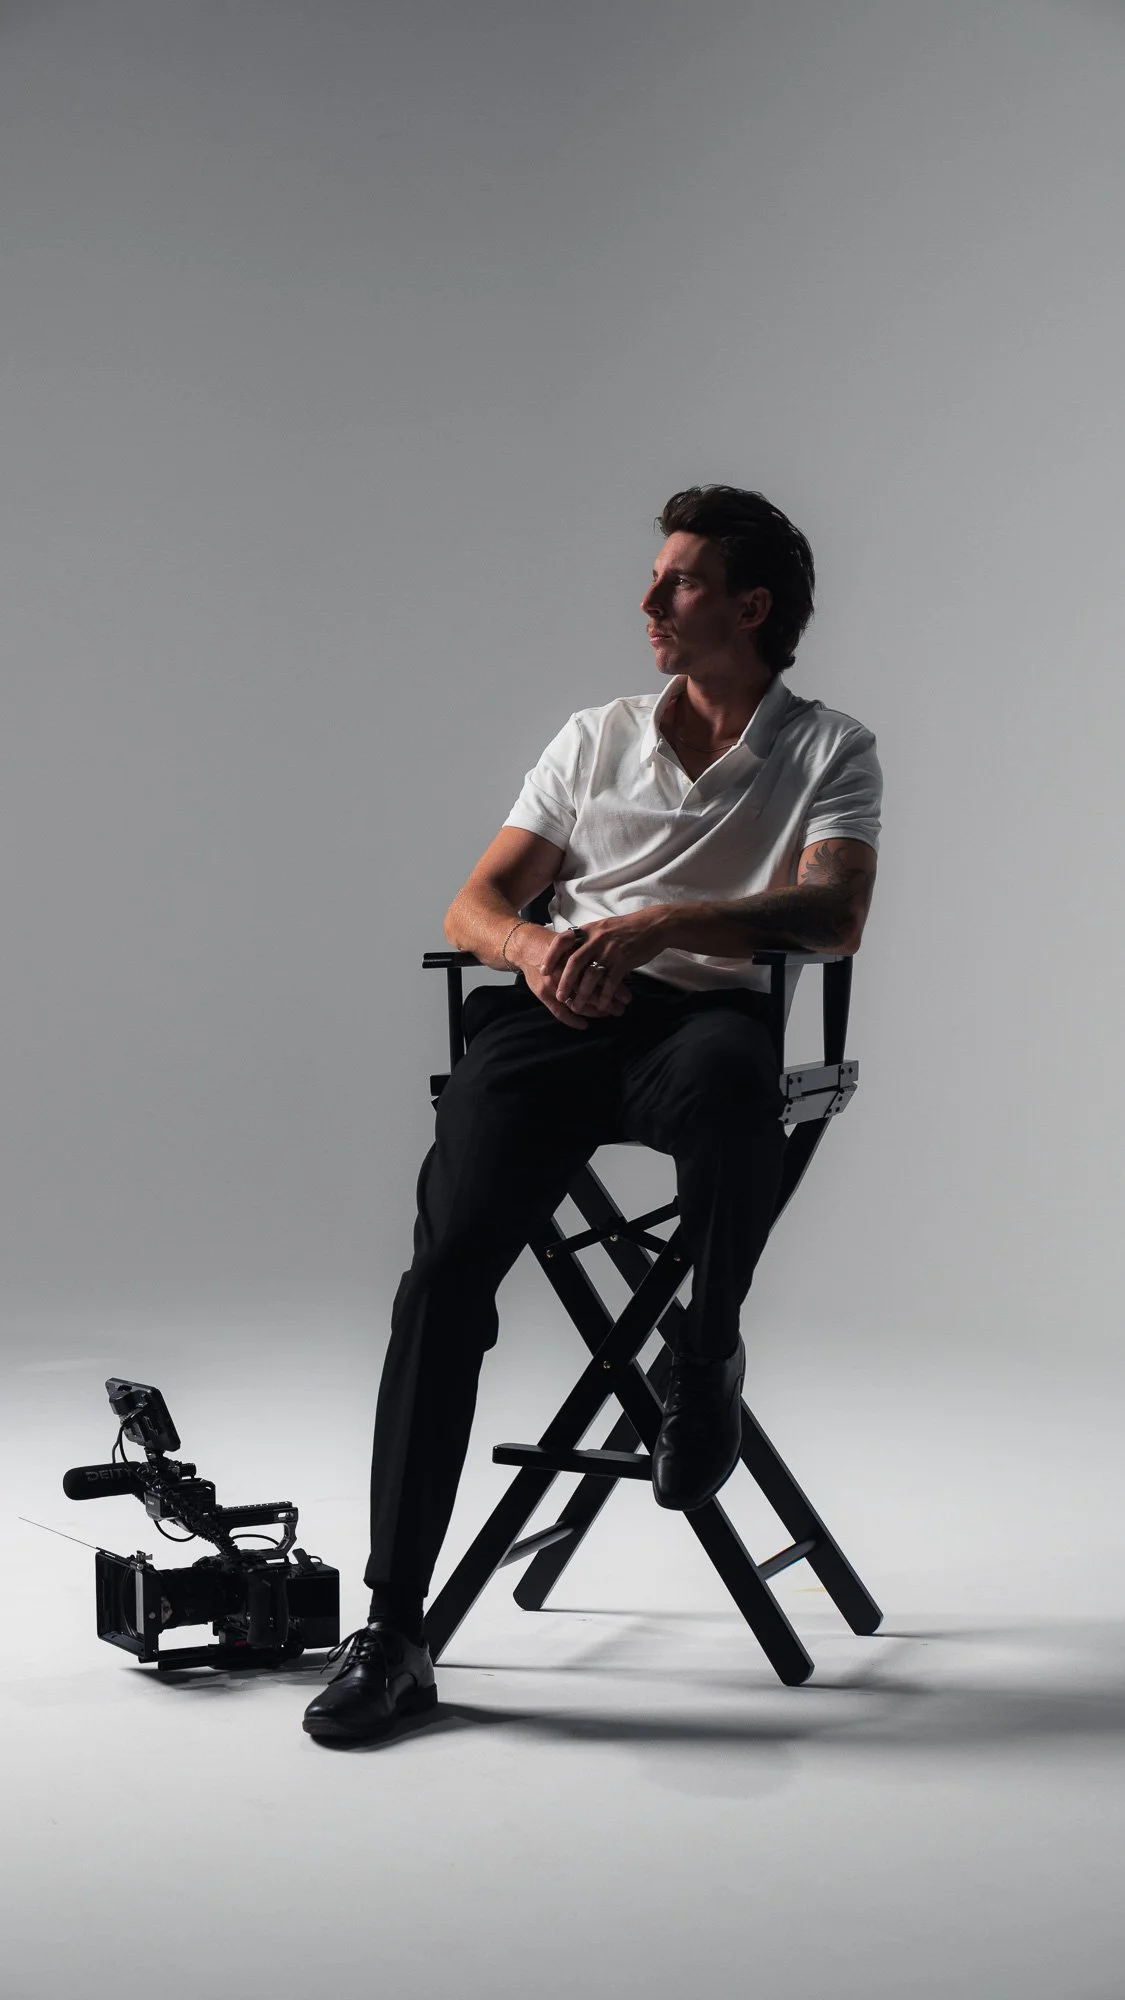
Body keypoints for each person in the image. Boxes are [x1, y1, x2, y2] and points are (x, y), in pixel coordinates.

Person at [303, 483, 881, 1742]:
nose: (649, 601)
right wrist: (535, 947)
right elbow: (473, 905)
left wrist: (668, 922)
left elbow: (833, 915)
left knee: (738, 1084)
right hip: (553, 1015)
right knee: (443, 1275)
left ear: (750, 605)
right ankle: (395, 1628)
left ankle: (704, 1346)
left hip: (704, 1023)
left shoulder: (830, 748)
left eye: (676, 581)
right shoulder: (594, 734)